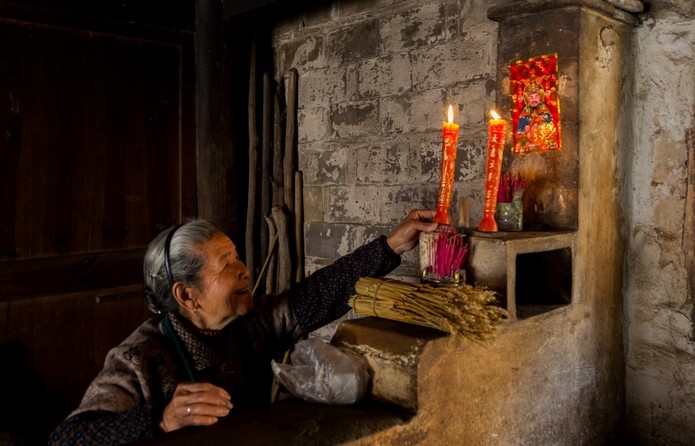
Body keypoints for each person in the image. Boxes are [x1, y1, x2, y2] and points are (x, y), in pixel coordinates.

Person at [48, 209, 438, 445]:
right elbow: (68, 438)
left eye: (237, 258)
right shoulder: (139, 358)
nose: (244, 270)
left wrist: (392, 246)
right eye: (226, 265)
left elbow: (320, 294)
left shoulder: (251, 326)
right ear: (187, 296)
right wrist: (161, 419)